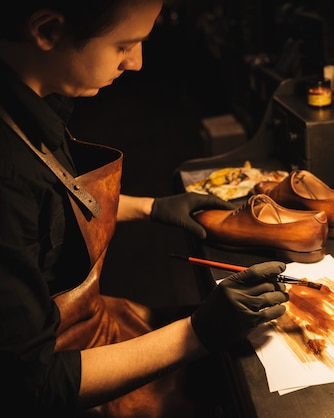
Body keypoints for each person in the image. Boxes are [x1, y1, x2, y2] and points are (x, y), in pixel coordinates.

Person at [0, 0, 290, 416]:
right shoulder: (6, 173)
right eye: (125, 45)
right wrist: (197, 332)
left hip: (96, 323)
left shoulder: (30, 100)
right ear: (47, 31)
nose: (135, 63)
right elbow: (33, 386)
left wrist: (152, 207)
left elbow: (48, 211)